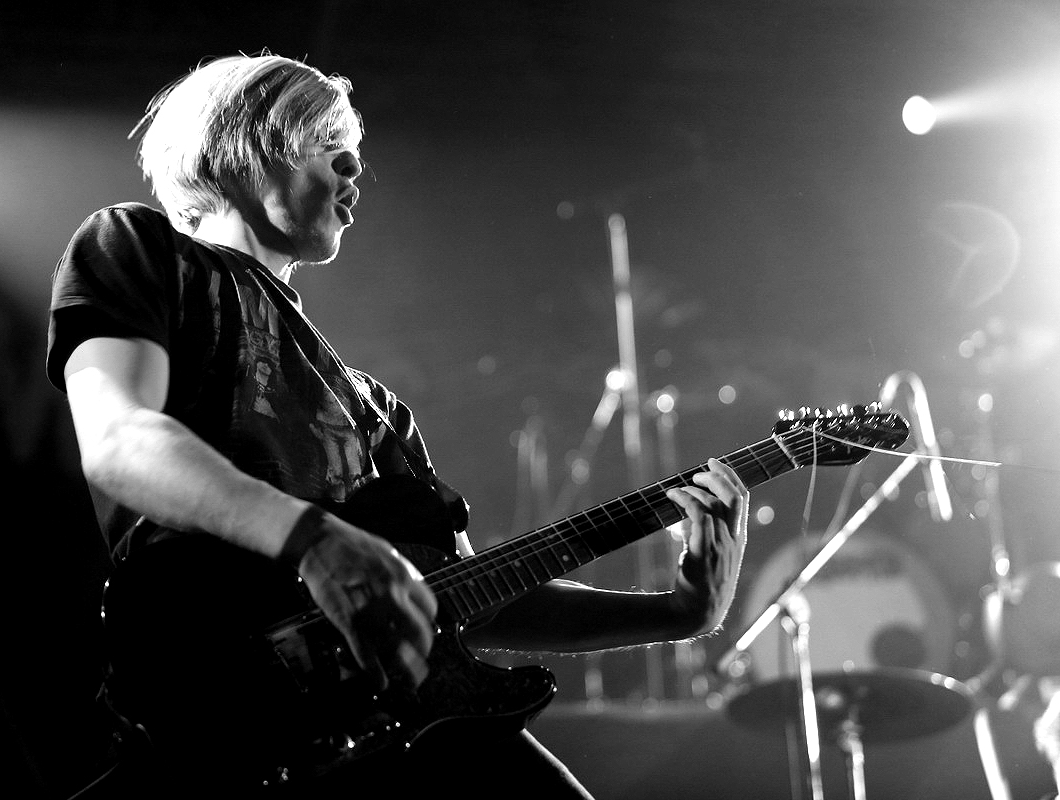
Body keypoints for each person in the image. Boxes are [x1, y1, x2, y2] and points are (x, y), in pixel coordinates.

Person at [47, 52, 749, 799]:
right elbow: (120, 440)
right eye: (329, 145)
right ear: (242, 146)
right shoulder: (139, 247)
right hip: (221, 699)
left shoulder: (375, 408)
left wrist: (679, 613)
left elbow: (466, 597)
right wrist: (315, 540)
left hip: (392, 719)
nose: (356, 171)